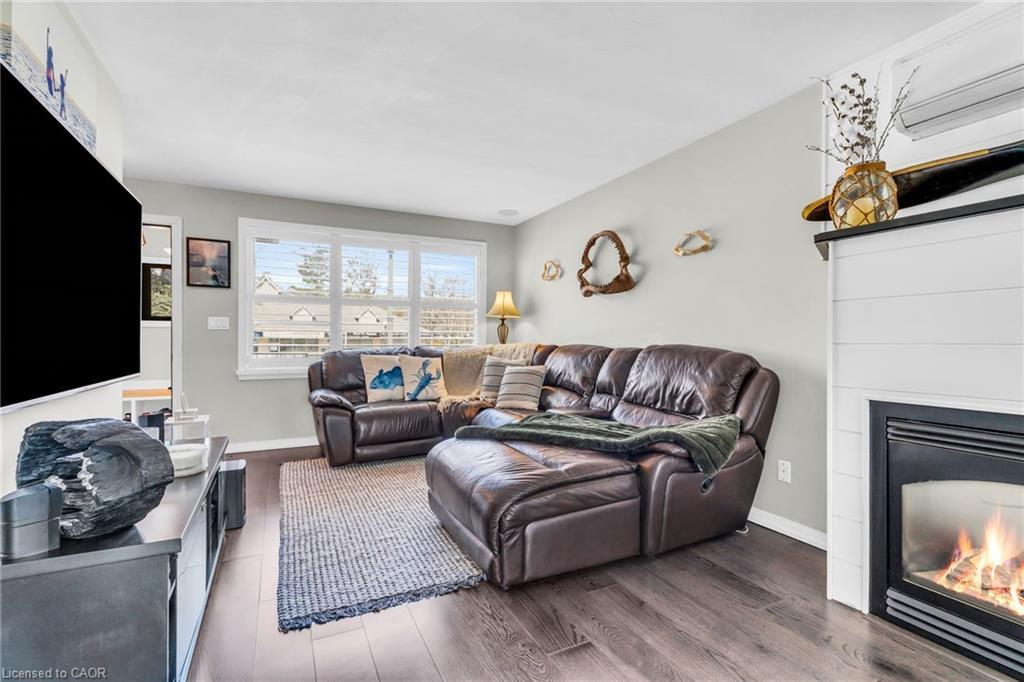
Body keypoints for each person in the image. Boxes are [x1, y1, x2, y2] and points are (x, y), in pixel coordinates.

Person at [45, 27, 55, 96]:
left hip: (49, 77)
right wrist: (47, 33)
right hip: (49, 77)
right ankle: (52, 94)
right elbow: (47, 43)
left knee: (50, 89)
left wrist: (47, 33)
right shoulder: (50, 60)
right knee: (50, 89)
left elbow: (53, 75)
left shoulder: (50, 61)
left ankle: (52, 94)